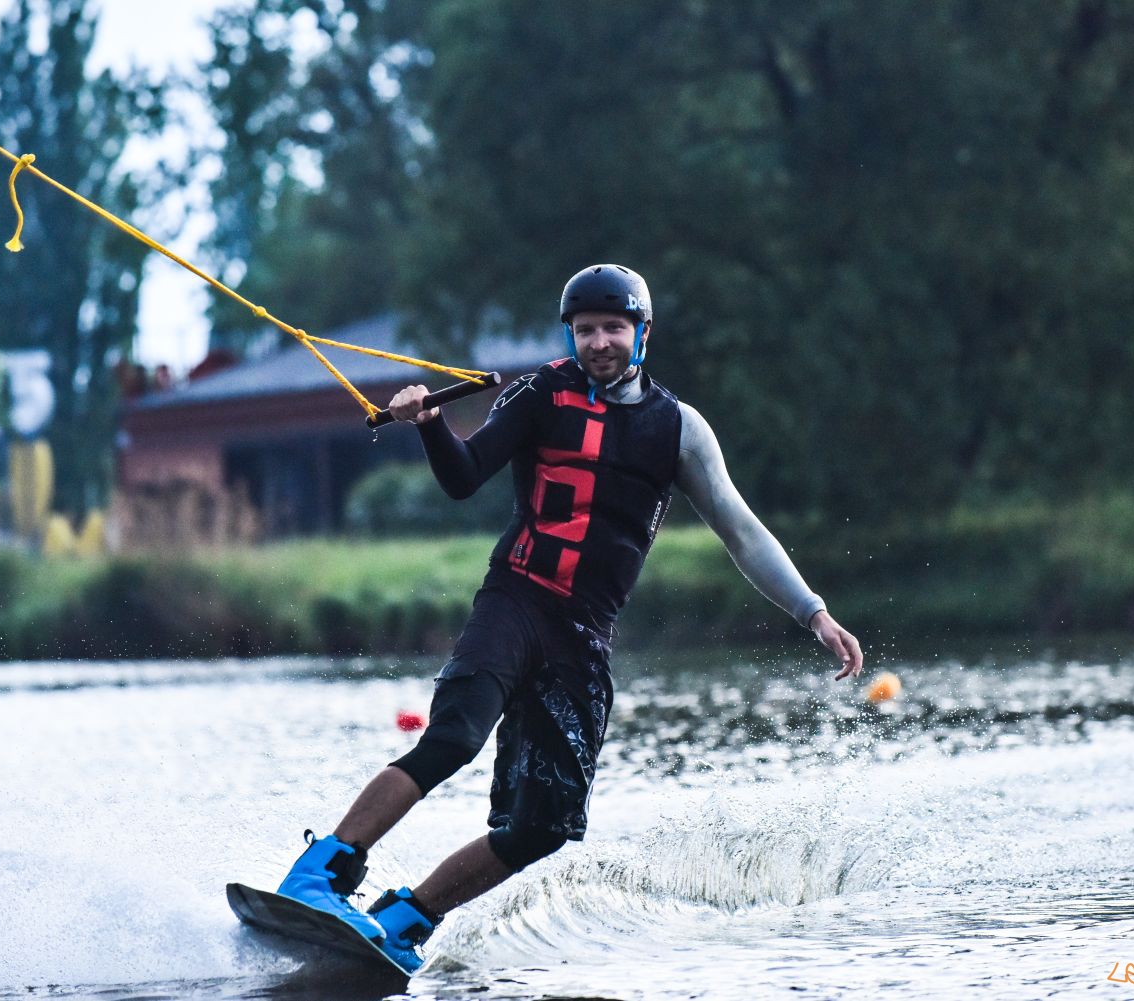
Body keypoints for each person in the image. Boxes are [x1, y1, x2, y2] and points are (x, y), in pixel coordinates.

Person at [275, 264, 863, 973]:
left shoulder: (678, 429)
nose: (599, 342)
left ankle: (403, 920)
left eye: (614, 327)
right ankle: (322, 871)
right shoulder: (540, 394)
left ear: (642, 332)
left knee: (544, 825)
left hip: (582, 636)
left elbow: (741, 531)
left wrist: (814, 612)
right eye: (585, 330)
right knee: (454, 738)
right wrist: (430, 423)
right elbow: (464, 477)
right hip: (515, 602)